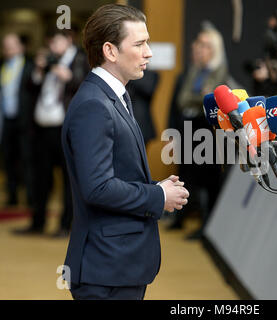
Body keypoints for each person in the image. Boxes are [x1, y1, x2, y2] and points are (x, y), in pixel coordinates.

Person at [61, 4, 189, 300]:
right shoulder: (95, 105)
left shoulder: (114, 96)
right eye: (139, 43)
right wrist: (158, 196)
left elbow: (115, 174)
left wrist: (157, 188)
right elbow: (97, 187)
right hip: (104, 268)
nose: (149, 52)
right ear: (110, 50)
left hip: (115, 265)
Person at [13, 29, 89, 237]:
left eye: (56, 41)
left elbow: (85, 88)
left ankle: (66, 225)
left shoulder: (80, 59)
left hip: (66, 129)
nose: (52, 46)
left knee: (68, 180)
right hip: (42, 128)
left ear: (68, 40)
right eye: (51, 42)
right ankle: (38, 222)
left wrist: (69, 77)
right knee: (41, 177)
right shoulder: (48, 60)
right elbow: (31, 87)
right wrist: (39, 70)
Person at [167, 24, 230, 239]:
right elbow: (183, 99)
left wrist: (200, 99)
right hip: (189, 130)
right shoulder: (195, 70)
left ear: (214, 48)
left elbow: (211, 101)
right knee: (186, 175)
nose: (198, 48)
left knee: (208, 181)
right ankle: (181, 218)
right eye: (199, 44)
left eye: (204, 45)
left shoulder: (220, 71)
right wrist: (200, 99)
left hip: (209, 134)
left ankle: (206, 225)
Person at [0, 33, 34, 207]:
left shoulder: (29, 66)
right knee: (8, 159)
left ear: (21, 47)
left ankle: (30, 197)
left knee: (27, 160)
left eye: (11, 45)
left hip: (25, 121)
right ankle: (12, 196)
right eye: (5, 45)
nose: (7, 49)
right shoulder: (3, 67)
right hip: (7, 120)